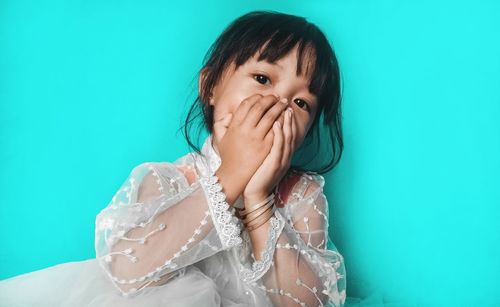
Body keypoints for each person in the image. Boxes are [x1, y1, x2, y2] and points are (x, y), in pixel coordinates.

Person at [0, 10, 347, 307]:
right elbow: (126, 269)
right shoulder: (168, 179)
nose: (277, 107)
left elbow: (306, 302)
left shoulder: (300, 194)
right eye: (262, 79)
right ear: (210, 86)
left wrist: (259, 201)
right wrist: (231, 175)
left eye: (301, 103)